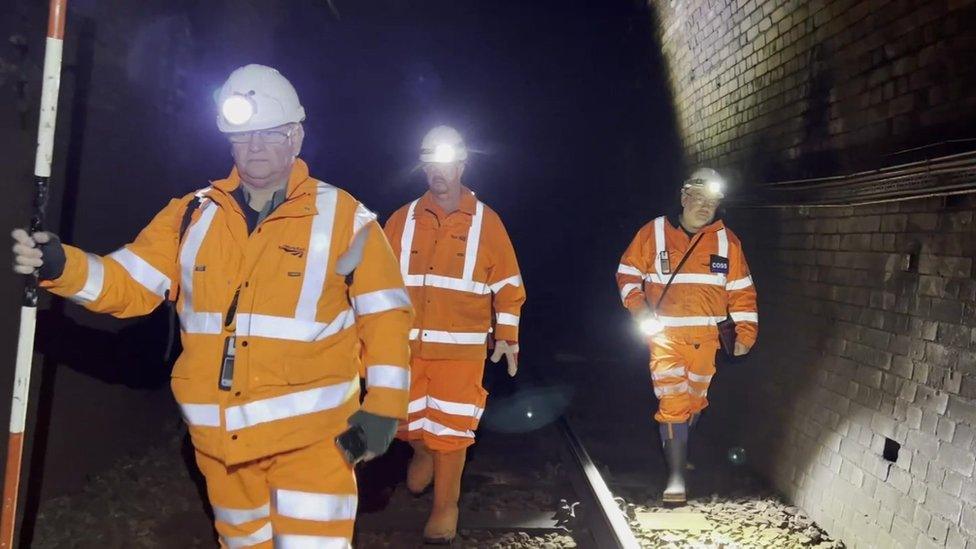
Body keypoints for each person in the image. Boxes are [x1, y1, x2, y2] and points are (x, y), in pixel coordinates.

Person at [11, 64, 412, 548]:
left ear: (296, 137)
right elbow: (127, 283)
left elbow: (386, 314)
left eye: (270, 133)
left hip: (314, 444)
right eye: (244, 136)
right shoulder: (191, 216)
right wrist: (59, 265)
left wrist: (384, 410)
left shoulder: (346, 218)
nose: (256, 147)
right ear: (229, 142)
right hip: (220, 448)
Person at [382, 125, 526, 544]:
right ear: (423, 166)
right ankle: (421, 450)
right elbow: (376, 282)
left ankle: (446, 507)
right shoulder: (402, 219)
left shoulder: (487, 223)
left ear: (462, 165)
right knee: (403, 421)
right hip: (405, 347)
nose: (438, 171)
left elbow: (508, 286)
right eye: (430, 162)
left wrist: (506, 336)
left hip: (461, 352)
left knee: (452, 431)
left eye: (447, 162)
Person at [616, 167, 758, 505]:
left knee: (695, 402)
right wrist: (640, 311)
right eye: (698, 199)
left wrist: (746, 332)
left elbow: (742, 291)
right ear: (684, 198)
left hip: (706, 341)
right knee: (673, 403)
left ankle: (677, 453)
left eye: (712, 202)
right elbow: (626, 275)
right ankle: (676, 478)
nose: (705, 207)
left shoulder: (727, 241)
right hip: (664, 337)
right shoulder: (653, 233)